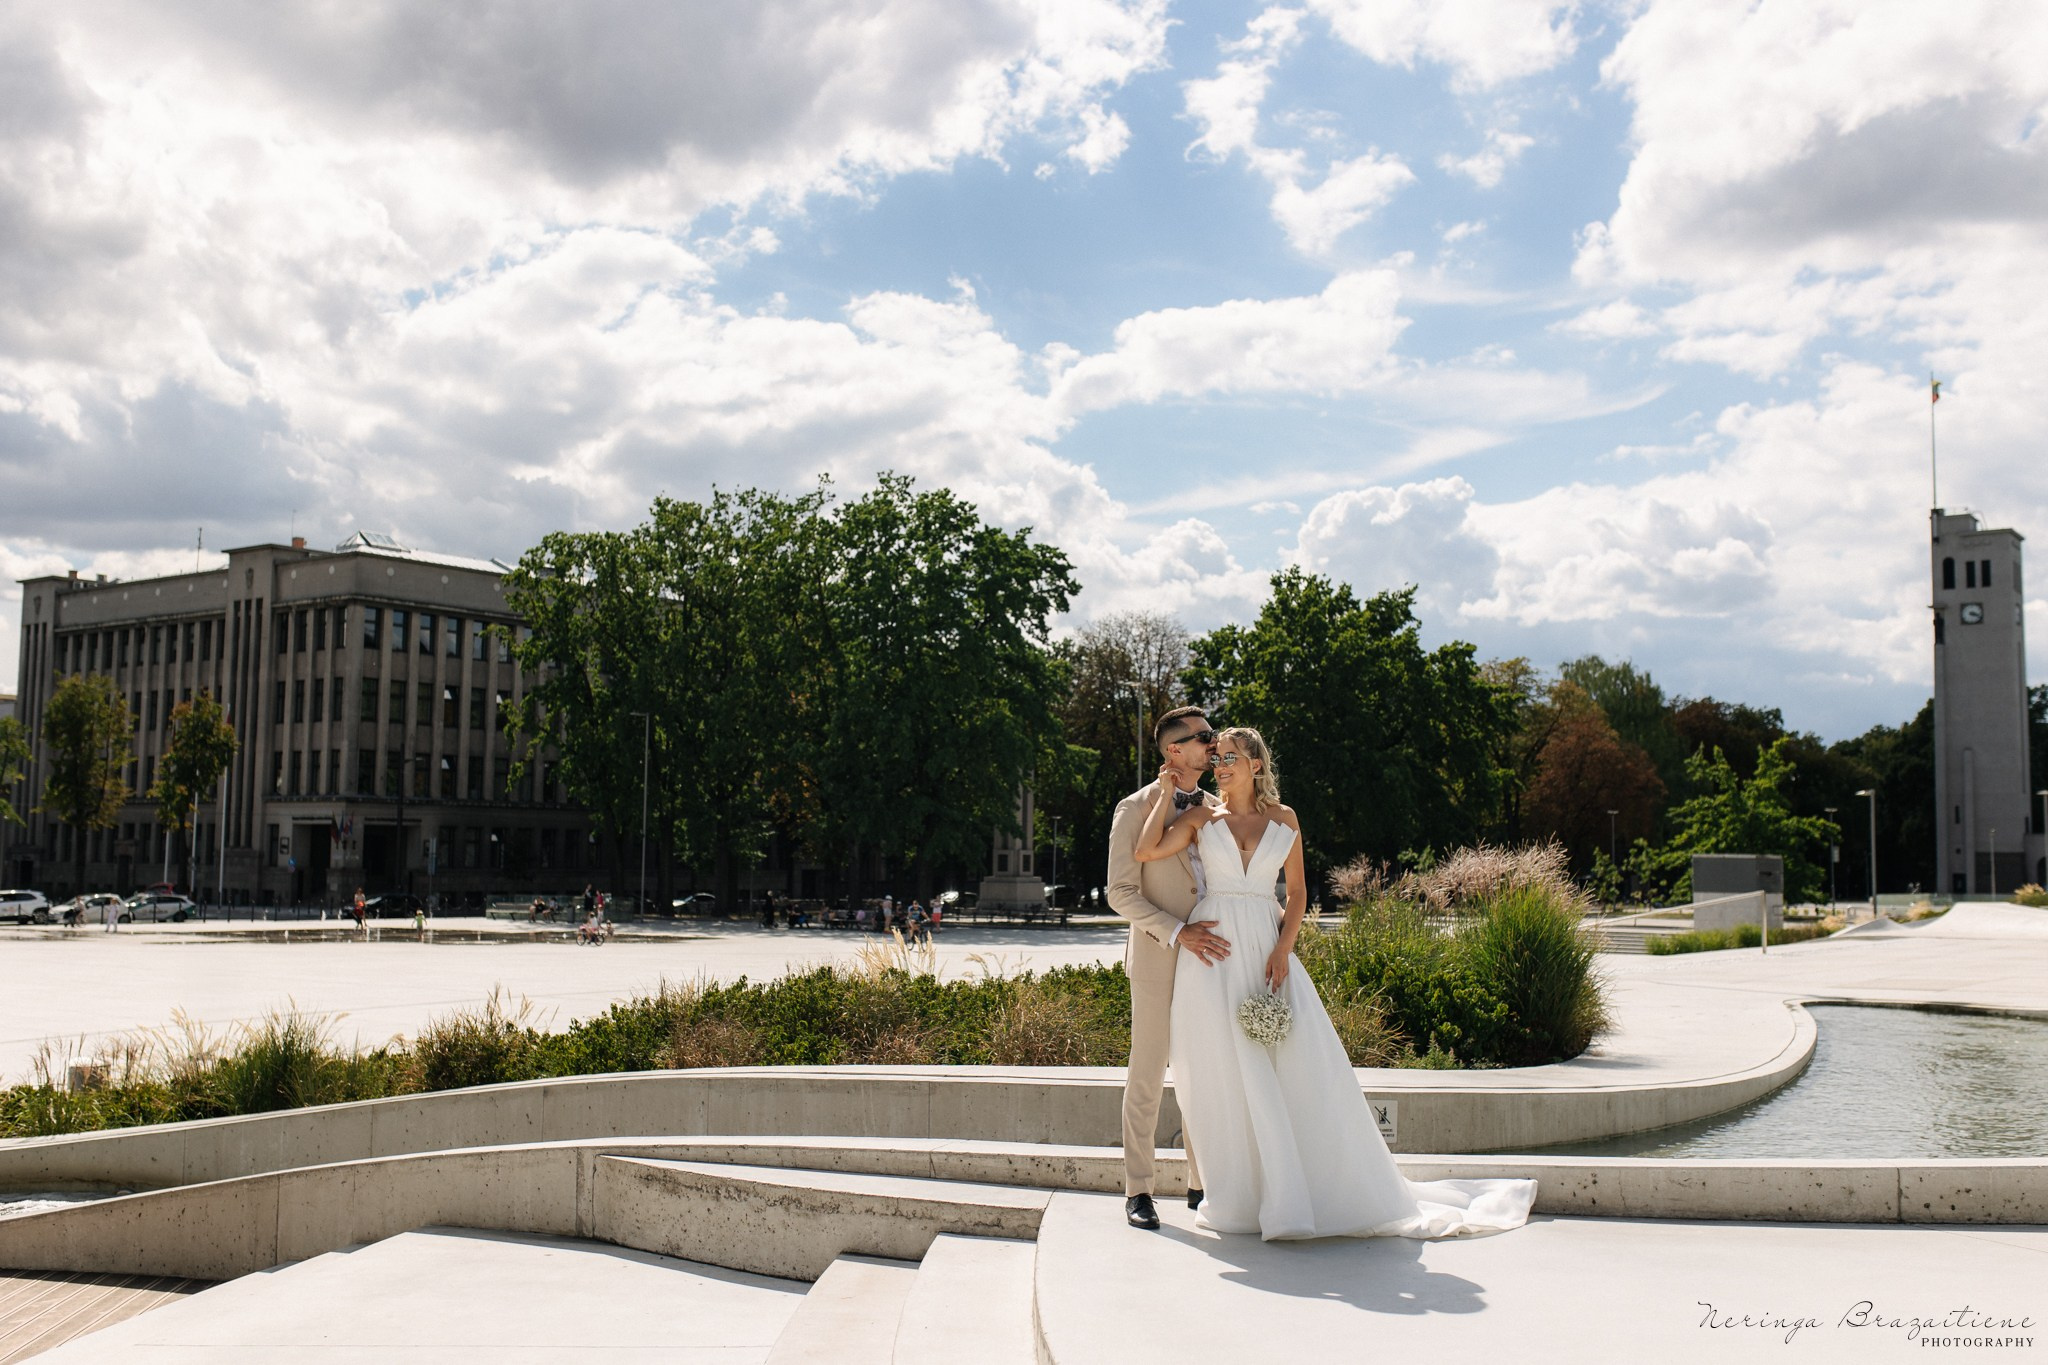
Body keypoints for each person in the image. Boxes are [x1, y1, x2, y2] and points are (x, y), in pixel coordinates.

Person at [1134, 726, 1536, 1242]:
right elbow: (1146, 853)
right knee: (1219, 1073)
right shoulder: (1198, 817)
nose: (1221, 767)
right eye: (1217, 760)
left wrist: (1284, 948)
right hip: (1211, 958)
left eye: (1231, 758)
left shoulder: (1285, 819)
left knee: (1288, 1064)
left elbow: (1298, 892)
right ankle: (1238, 1196)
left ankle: (1297, 1189)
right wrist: (1167, 791)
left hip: (1264, 946)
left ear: (1256, 765)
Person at [1104, 704, 1224, 1230]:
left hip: (1213, 959)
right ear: (1175, 750)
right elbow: (1119, 893)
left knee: (1204, 1072)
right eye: (1203, 737)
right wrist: (1177, 932)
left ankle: (1202, 1186)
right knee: (1148, 1072)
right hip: (1159, 956)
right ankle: (1140, 1190)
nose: (1213, 743)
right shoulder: (1134, 808)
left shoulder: (1218, 807)